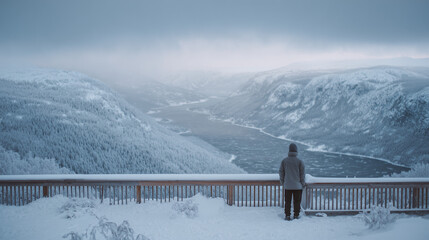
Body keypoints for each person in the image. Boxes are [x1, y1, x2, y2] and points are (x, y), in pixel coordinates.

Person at [279, 143, 306, 221]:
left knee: (287, 201)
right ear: (296, 151)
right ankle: (296, 215)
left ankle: (287, 215)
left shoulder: (284, 161)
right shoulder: (300, 162)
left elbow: (281, 172)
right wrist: (303, 184)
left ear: (289, 150)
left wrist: (282, 182)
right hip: (297, 186)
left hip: (287, 185)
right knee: (297, 202)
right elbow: (302, 175)